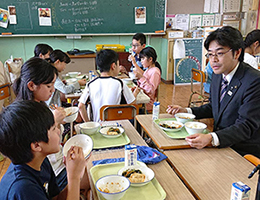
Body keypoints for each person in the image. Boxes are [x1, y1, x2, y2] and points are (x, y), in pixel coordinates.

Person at [167, 26, 260, 158]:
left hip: (242, 153)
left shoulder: (254, 81)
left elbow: (246, 126)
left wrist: (211, 138)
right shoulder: (218, 74)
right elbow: (214, 107)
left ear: (237, 53)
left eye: (219, 53)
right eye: (210, 54)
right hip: (222, 146)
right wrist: (186, 111)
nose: (213, 60)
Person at [0, 100, 86, 200]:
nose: (59, 131)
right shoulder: (24, 188)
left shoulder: (40, 160)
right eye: (54, 129)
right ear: (36, 145)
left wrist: (76, 175)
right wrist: (73, 178)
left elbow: (56, 198)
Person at [78, 49, 140, 122]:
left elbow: (80, 106)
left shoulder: (91, 83)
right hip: (116, 128)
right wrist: (135, 93)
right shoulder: (119, 83)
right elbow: (132, 105)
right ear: (113, 66)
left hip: (98, 127)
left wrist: (89, 123)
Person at [134, 47, 161, 112]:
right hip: (143, 98)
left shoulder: (155, 72)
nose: (141, 61)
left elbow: (150, 90)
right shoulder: (148, 70)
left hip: (147, 103)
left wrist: (141, 78)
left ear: (150, 59)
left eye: (143, 58)